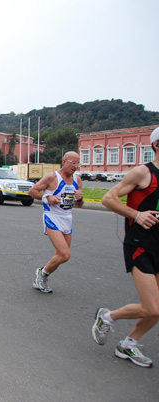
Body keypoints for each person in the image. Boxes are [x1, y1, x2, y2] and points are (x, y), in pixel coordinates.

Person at [91, 128, 159, 368]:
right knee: (153, 307)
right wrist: (136, 215)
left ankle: (128, 345)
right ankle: (107, 317)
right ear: (157, 145)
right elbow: (109, 198)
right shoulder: (143, 173)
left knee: (156, 309)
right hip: (140, 244)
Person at [28, 152, 84, 293]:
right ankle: (42, 275)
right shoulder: (52, 177)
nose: (75, 166)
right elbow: (32, 191)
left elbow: (80, 205)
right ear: (64, 161)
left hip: (67, 218)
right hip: (52, 217)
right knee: (65, 254)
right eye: (73, 163)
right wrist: (47, 197)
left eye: (78, 164)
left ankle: (43, 273)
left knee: (60, 256)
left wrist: (79, 199)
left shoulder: (77, 180)